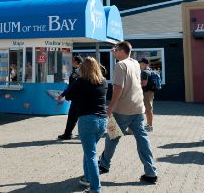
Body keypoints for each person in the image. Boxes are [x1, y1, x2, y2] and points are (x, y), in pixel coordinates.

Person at [99, 41, 158, 184]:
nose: (113, 51)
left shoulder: (120, 65)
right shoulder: (135, 63)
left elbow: (118, 88)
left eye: (115, 49)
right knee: (142, 139)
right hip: (138, 108)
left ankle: (104, 164)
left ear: (122, 51)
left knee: (112, 137)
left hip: (122, 109)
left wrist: (110, 107)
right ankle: (151, 172)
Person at [64, 57, 107, 193]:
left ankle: (95, 188)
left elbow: (68, 96)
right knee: (90, 151)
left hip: (87, 120)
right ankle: (87, 178)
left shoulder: (81, 82)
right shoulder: (103, 81)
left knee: (91, 155)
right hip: (102, 121)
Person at [57, 55, 83, 140]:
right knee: (75, 116)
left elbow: (72, 86)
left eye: (72, 60)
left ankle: (68, 134)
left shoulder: (77, 72)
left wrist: (63, 95)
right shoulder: (79, 71)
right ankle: (69, 133)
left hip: (77, 98)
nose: (71, 62)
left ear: (76, 62)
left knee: (73, 116)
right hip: (80, 98)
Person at [139, 58, 155, 132]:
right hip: (150, 92)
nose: (139, 65)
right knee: (149, 109)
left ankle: (150, 125)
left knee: (148, 109)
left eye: (140, 63)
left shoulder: (144, 72)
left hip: (146, 93)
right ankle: (149, 124)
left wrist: (136, 85)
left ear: (144, 64)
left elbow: (144, 83)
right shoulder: (150, 71)